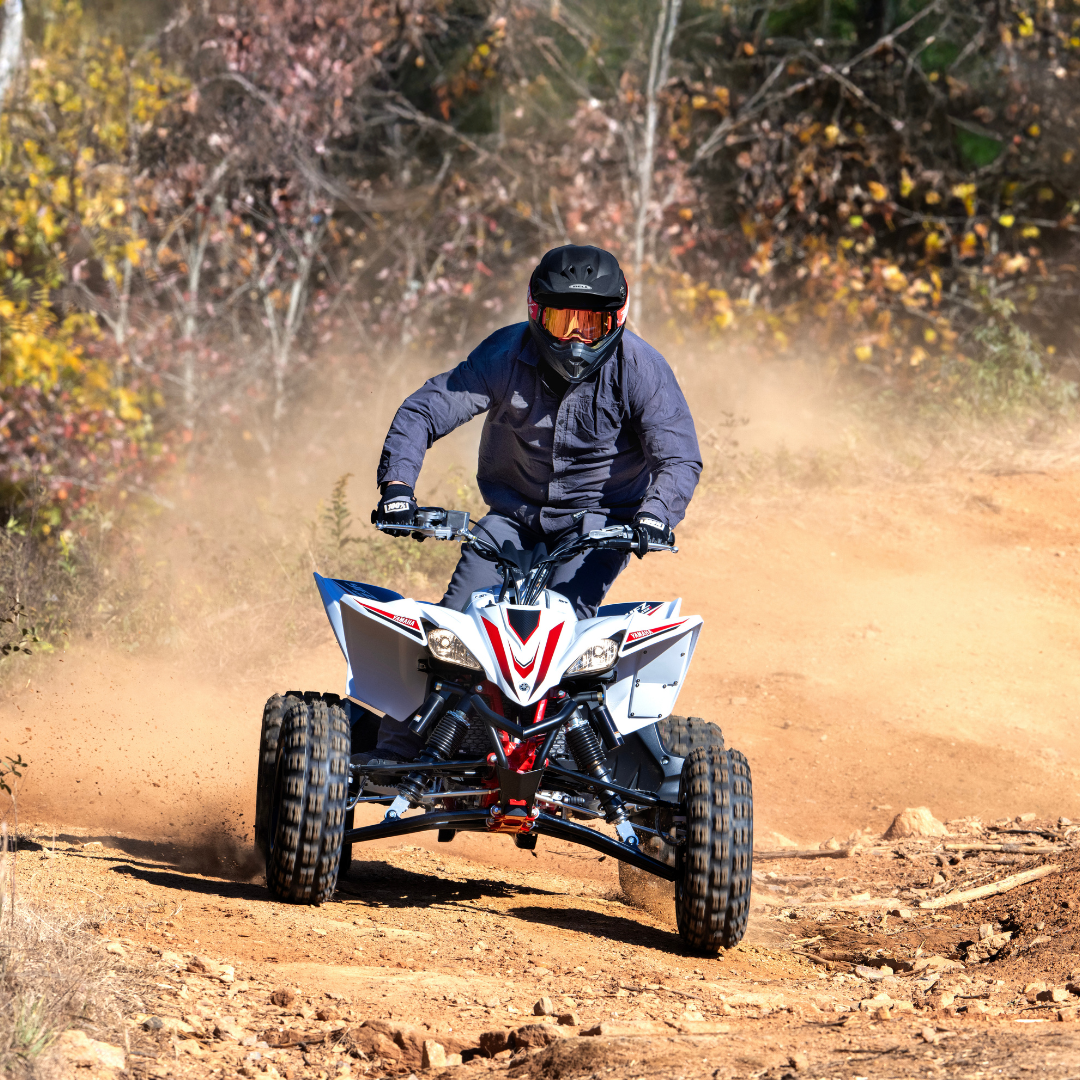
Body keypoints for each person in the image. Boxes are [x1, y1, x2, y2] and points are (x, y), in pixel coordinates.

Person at [364, 243, 701, 762]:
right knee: (455, 630)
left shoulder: (641, 368)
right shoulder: (504, 353)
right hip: (511, 519)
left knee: (571, 642)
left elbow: (678, 457)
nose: (575, 339)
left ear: (617, 320)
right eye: (562, 321)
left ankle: (561, 757)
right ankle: (398, 760)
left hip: (598, 529)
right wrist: (397, 490)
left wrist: (654, 517)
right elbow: (424, 413)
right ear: (535, 312)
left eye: (591, 324)